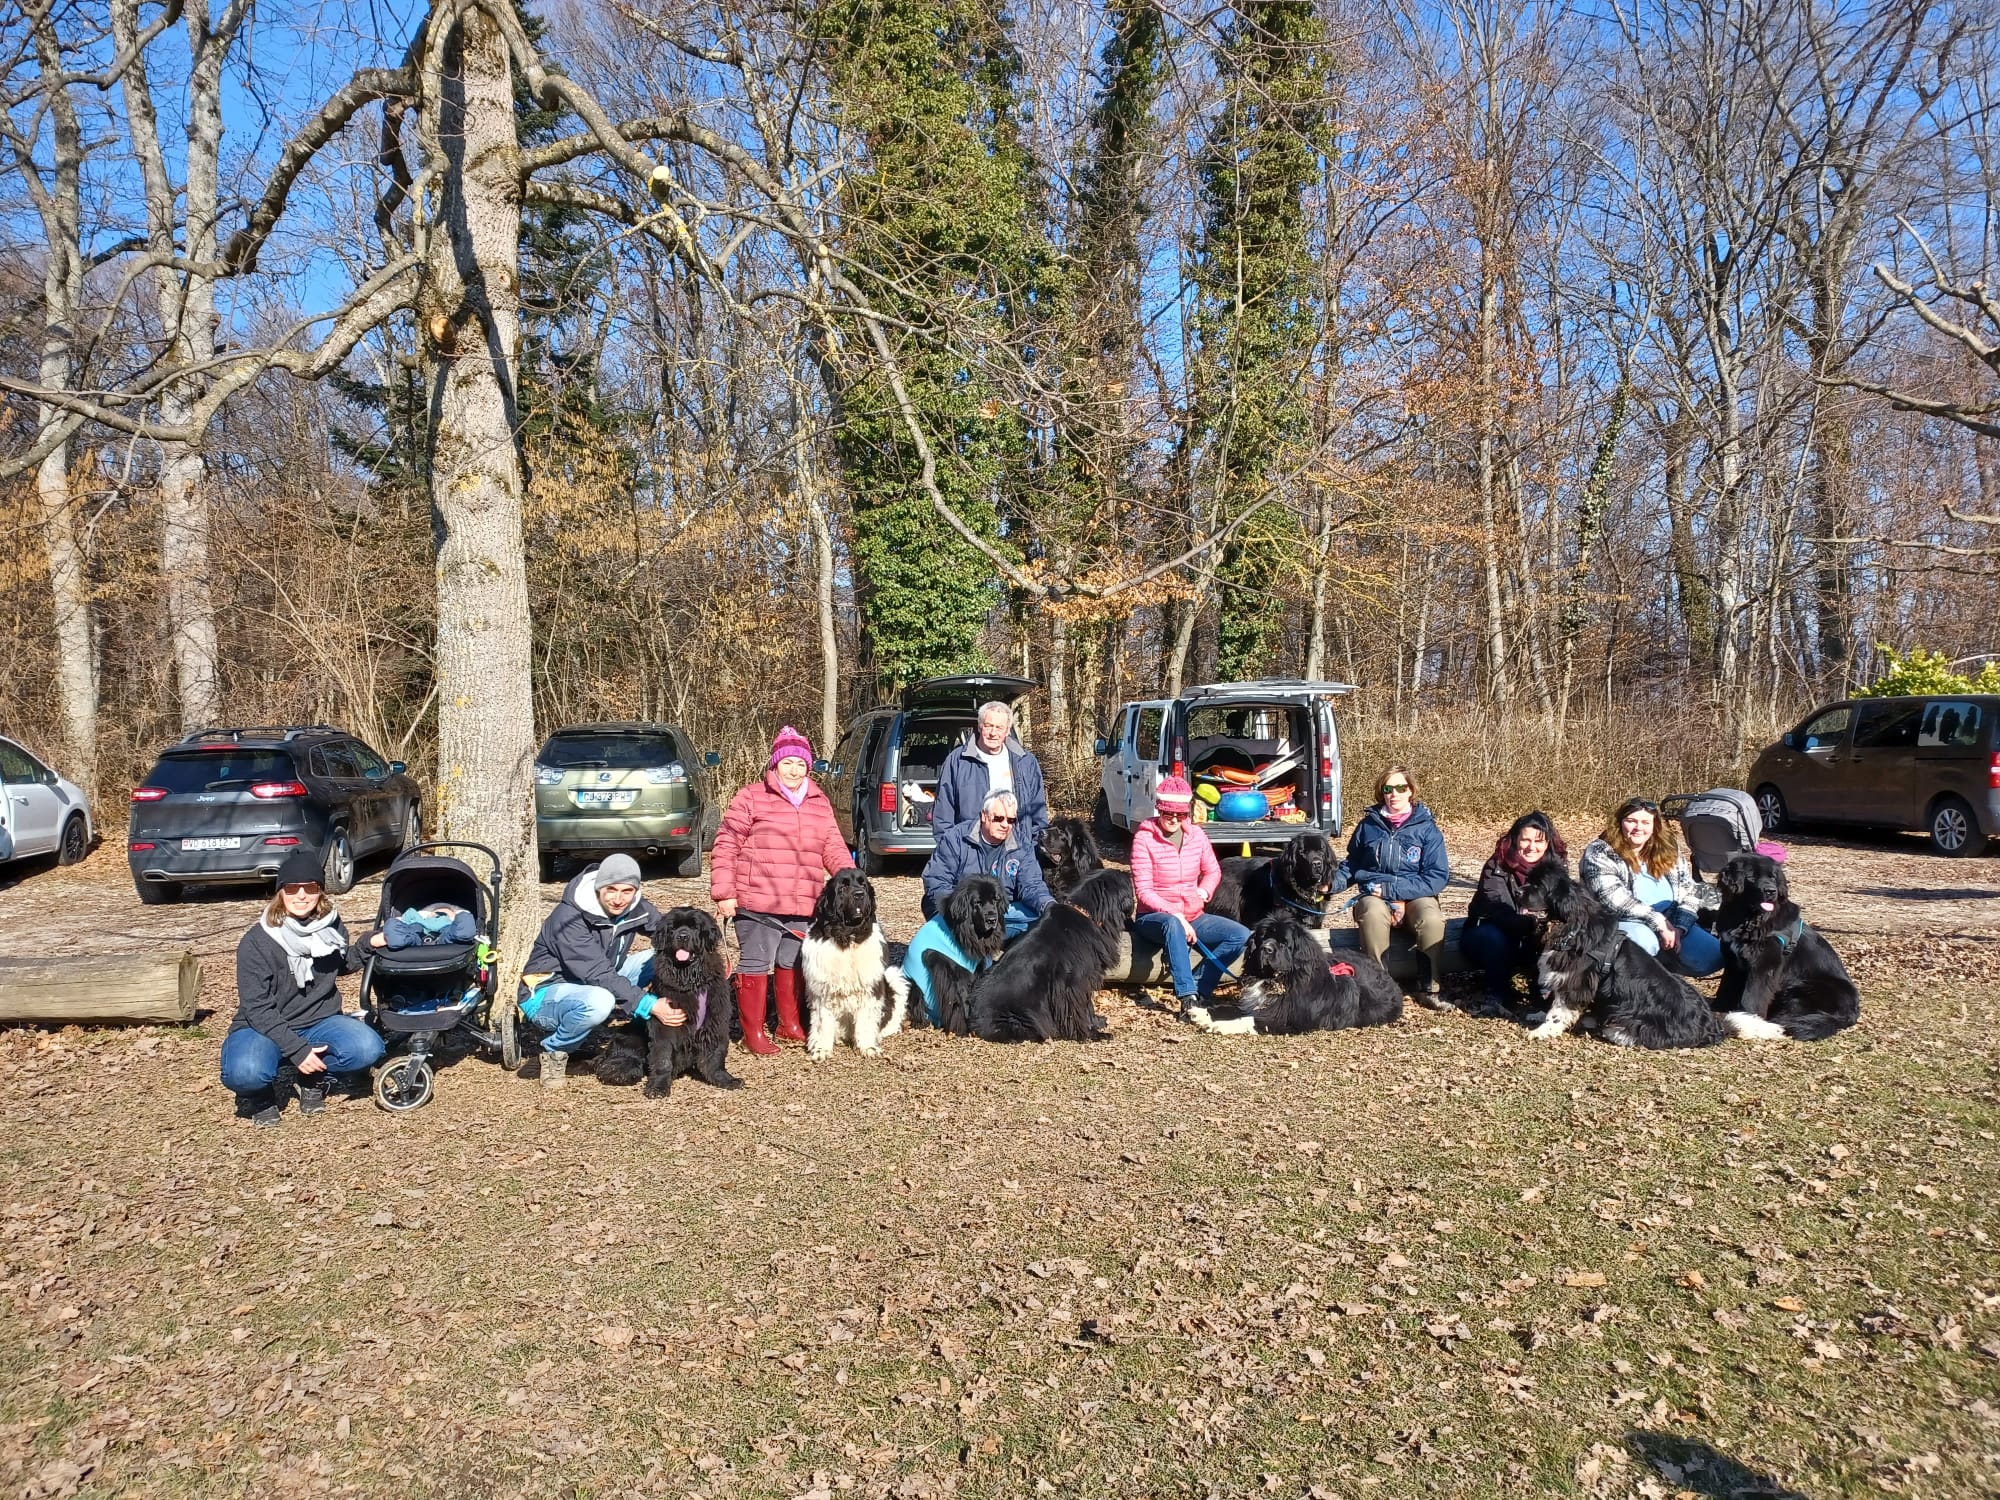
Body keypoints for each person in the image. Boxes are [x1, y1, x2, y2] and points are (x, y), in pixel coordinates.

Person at [711, 726, 854, 1055]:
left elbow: (833, 846)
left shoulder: (819, 802)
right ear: (775, 765)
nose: (794, 770)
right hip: (757, 900)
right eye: (787, 763)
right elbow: (726, 844)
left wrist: (850, 881)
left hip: (803, 902)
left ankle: (789, 1024)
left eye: (801, 764)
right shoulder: (750, 797)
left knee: (792, 961)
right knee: (757, 962)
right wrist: (724, 892)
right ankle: (753, 1033)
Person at [220, 849, 384, 1127]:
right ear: (280, 892)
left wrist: (369, 944)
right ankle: (261, 1095)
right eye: (292, 888)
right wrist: (297, 1050)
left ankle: (311, 1078)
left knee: (368, 1049)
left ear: (320, 891)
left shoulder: (330, 927)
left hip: (320, 1019)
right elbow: (257, 1007)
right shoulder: (257, 941)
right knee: (246, 1072)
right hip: (263, 1025)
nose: (301, 895)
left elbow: (339, 965)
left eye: (309, 887)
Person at [518, 852, 677, 1090]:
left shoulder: (637, 908)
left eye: (627, 891)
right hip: (546, 993)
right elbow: (597, 973)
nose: (618, 899)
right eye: (610, 889)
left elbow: (667, 933)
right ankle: (554, 1052)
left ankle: (659, 1019)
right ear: (598, 887)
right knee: (600, 1001)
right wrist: (649, 1004)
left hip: (596, 981)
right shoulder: (568, 918)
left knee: (660, 956)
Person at [1131, 775, 1249, 1019]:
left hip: (1194, 914)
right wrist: (1175, 914)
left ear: (1187, 814)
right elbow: (1143, 891)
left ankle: (1200, 985)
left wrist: (1203, 891)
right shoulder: (1144, 838)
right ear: (1159, 810)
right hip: (1153, 917)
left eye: (1180, 815)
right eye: (1167, 814)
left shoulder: (1197, 836)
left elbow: (1213, 870)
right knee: (1173, 925)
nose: (1174, 819)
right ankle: (1187, 997)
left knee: (1240, 935)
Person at [1336, 765, 1450, 1004]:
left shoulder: (1427, 828)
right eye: (1389, 788)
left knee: (1432, 920)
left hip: (1416, 893)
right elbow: (1352, 865)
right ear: (1382, 792)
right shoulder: (1367, 826)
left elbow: (1437, 877)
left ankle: (1430, 989)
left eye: (1401, 787)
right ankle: (1378, 987)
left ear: (1411, 791)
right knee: (1373, 913)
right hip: (1374, 894)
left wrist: (1394, 893)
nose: (1394, 794)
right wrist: (1329, 884)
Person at [1579, 797, 1722, 977]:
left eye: (1646, 822)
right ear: (1620, 823)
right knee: (1644, 942)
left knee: (1714, 956)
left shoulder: (1668, 849)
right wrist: (1659, 923)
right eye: (1631, 821)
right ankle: (1623, 980)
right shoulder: (1600, 851)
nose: (1639, 827)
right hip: (1623, 922)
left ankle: (1663, 970)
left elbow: (1690, 890)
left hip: (1671, 921)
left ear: (1655, 826)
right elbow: (1612, 899)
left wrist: (1679, 927)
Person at [1460, 810, 1568, 1016]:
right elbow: (1498, 906)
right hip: (1490, 928)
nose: (1531, 847)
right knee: (1494, 938)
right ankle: (1498, 994)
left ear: (1548, 843)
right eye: (1525, 840)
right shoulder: (1497, 865)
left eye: (1539, 841)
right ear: (1515, 839)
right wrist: (1533, 922)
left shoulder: (1557, 868)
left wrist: (1541, 925)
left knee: (1557, 935)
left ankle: (1545, 992)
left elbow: (1560, 908)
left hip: (1535, 932)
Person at [921, 789, 1053, 939]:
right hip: (965, 909)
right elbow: (936, 880)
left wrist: (1048, 905)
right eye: (998, 818)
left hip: (1003, 909)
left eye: (1011, 820)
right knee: (938, 909)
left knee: (1042, 917)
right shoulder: (956, 839)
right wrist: (964, 909)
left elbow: (1032, 885)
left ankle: (998, 941)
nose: (1005, 825)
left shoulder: (1022, 844)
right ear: (984, 816)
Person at [930, 700, 1049, 842]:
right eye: (988, 726)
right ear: (980, 727)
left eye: (999, 727)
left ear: (1007, 731)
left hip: (1016, 848)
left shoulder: (1026, 762)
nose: (993, 733)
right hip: (970, 848)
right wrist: (951, 851)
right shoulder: (957, 761)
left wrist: (1033, 848)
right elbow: (943, 815)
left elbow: (1038, 811)